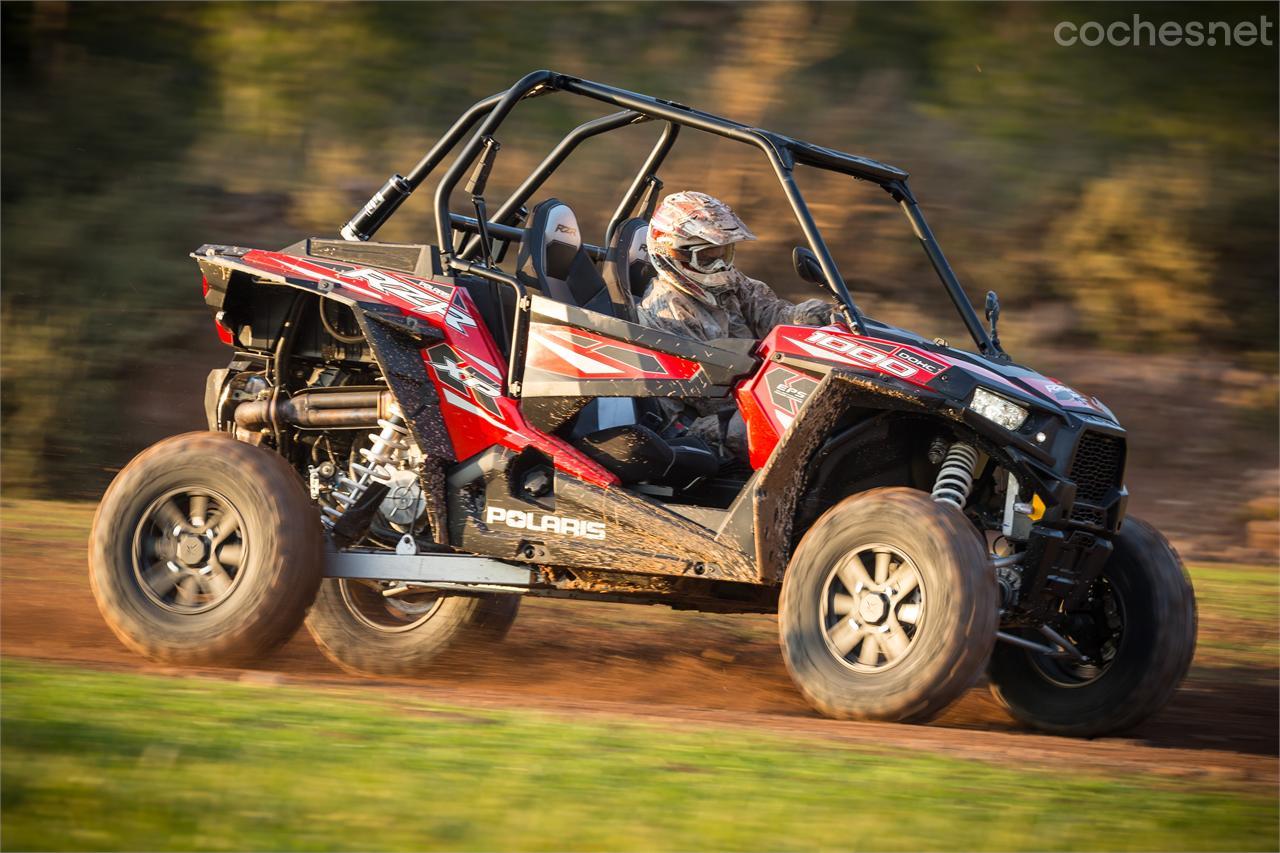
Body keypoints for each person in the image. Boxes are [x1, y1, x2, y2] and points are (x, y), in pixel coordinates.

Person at [636, 191, 841, 465]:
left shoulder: (729, 282)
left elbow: (774, 313)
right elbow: (709, 393)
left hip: (751, 393)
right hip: (697, 423)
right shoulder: (666, 310)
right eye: (708, 257)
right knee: (802, 429)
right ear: (673, 254)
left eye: (724, 253)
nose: (720, 264)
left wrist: (821, 315)